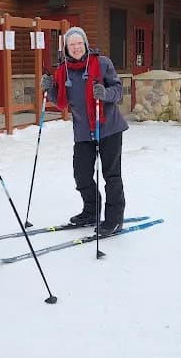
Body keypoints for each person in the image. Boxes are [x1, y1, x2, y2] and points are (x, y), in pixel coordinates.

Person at [41, 26, 128, 235]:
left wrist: (105, 93)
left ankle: (114, 219)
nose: (76, 47)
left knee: (111, 175)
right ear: (66, 49)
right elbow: (61, 102)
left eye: (79, 43)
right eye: (72, 44)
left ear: (86, 44)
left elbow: (118, 90)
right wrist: (49, 88)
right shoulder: (63, 70)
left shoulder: (102, 63)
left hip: (108, 128)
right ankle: (91, 211)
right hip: (82, 131)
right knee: (82, 175)